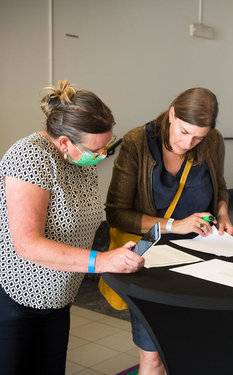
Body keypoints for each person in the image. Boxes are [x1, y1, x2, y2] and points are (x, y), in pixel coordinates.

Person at [0, 80, 145, 374]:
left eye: (107, 144)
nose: (103, 154)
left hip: (59, 296)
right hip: (16, 299)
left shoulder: (82, 161)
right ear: (65, 142)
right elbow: (27, 244)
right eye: (97, 148)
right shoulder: (29, 156)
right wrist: (102, 261)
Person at [105, 87, 233, 374]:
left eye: (198, 136)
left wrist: (222, 211)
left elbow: (220, 185)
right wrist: (175, 225)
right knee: (152, 357)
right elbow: (116, 212)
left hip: (200, 260)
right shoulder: (138, 142)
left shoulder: (212, 141)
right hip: (152, 264)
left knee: (195, 349)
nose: (188, 143)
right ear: (172, 113)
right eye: (184, 131)